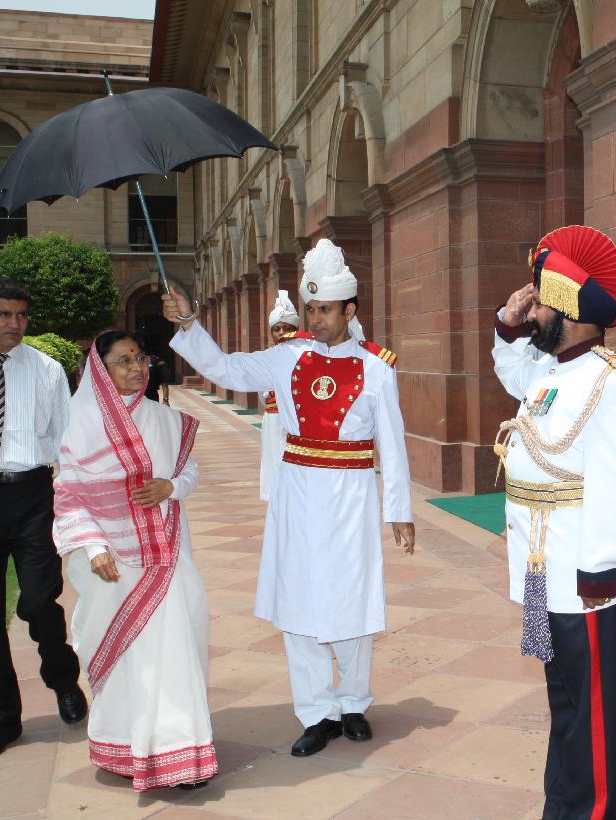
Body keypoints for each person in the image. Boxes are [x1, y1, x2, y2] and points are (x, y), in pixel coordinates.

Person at [162, 238, 415, 757]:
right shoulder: (286, 357)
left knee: (352, 598)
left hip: (352, 497)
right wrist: (188, 323)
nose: (316, 319)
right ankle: (317, 712)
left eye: (326, 310)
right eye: (311, 308)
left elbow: (392, 443)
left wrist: (399, 511)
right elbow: (226, 368)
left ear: (350, 310)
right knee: (300, 601)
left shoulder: (377, 368)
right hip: (297, 494)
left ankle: (353, 703)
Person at [492, 225, 616, 819]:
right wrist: (509, 321)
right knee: (564, 701)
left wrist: (599, 571)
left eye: (543, 301)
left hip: (585, 579)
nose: (535, 312)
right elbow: (512, 370)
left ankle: (595, 810)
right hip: (542, 571)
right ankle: (563, 805)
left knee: (594, 711)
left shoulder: (610, 382)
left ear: (573, 308)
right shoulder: (549, 372)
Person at [53, 331, 216, 791]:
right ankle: (124, 745)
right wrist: (94, 547)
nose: (137, 368)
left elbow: (188, 470)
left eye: (141, 358)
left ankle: (180, 751)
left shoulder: (164, 419)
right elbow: (69, 496)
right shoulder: (77, 422)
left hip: (167, 553)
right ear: (100, 369)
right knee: (128, 656)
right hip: (111, 563)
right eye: (124, 361)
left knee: (176, 645)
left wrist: (171, 487)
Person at [0, 276, 86, 762]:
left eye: (21, 315)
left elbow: (66, 440)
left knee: (41, 599)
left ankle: (62, 678)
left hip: (32, 496)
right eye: (3, 314)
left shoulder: (46, 370)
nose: (14, 324)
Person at [259, 290, 300, 501]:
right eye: (277, 328)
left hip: (297, 422)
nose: (281, 332)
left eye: (287, 328)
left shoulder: (305, 356)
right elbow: (262, 396)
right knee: (274, 465)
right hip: (273, 421)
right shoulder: (266, 357)